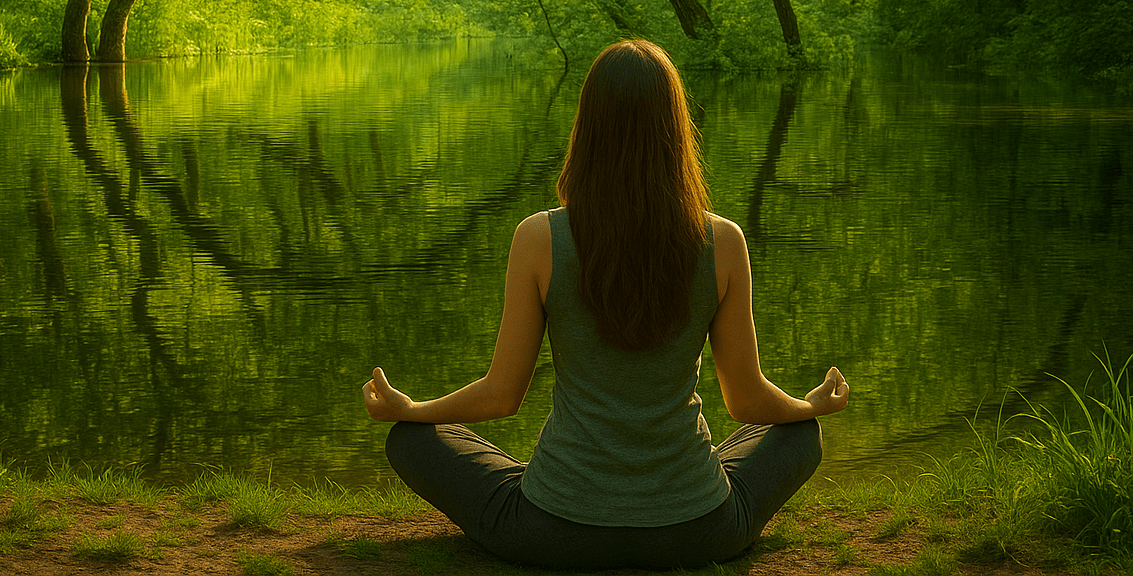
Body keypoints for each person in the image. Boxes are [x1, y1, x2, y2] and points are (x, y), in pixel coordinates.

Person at [361, 39, 850, 570]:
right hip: (699, 531)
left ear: (587, 127)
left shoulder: (539, 238)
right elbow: (748, 403)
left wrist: (412, 412)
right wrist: (809, 407)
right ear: (677, 129)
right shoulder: (722, 241)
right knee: (798, 434)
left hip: (552, 532)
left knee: (411, 442)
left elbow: (501, 396)